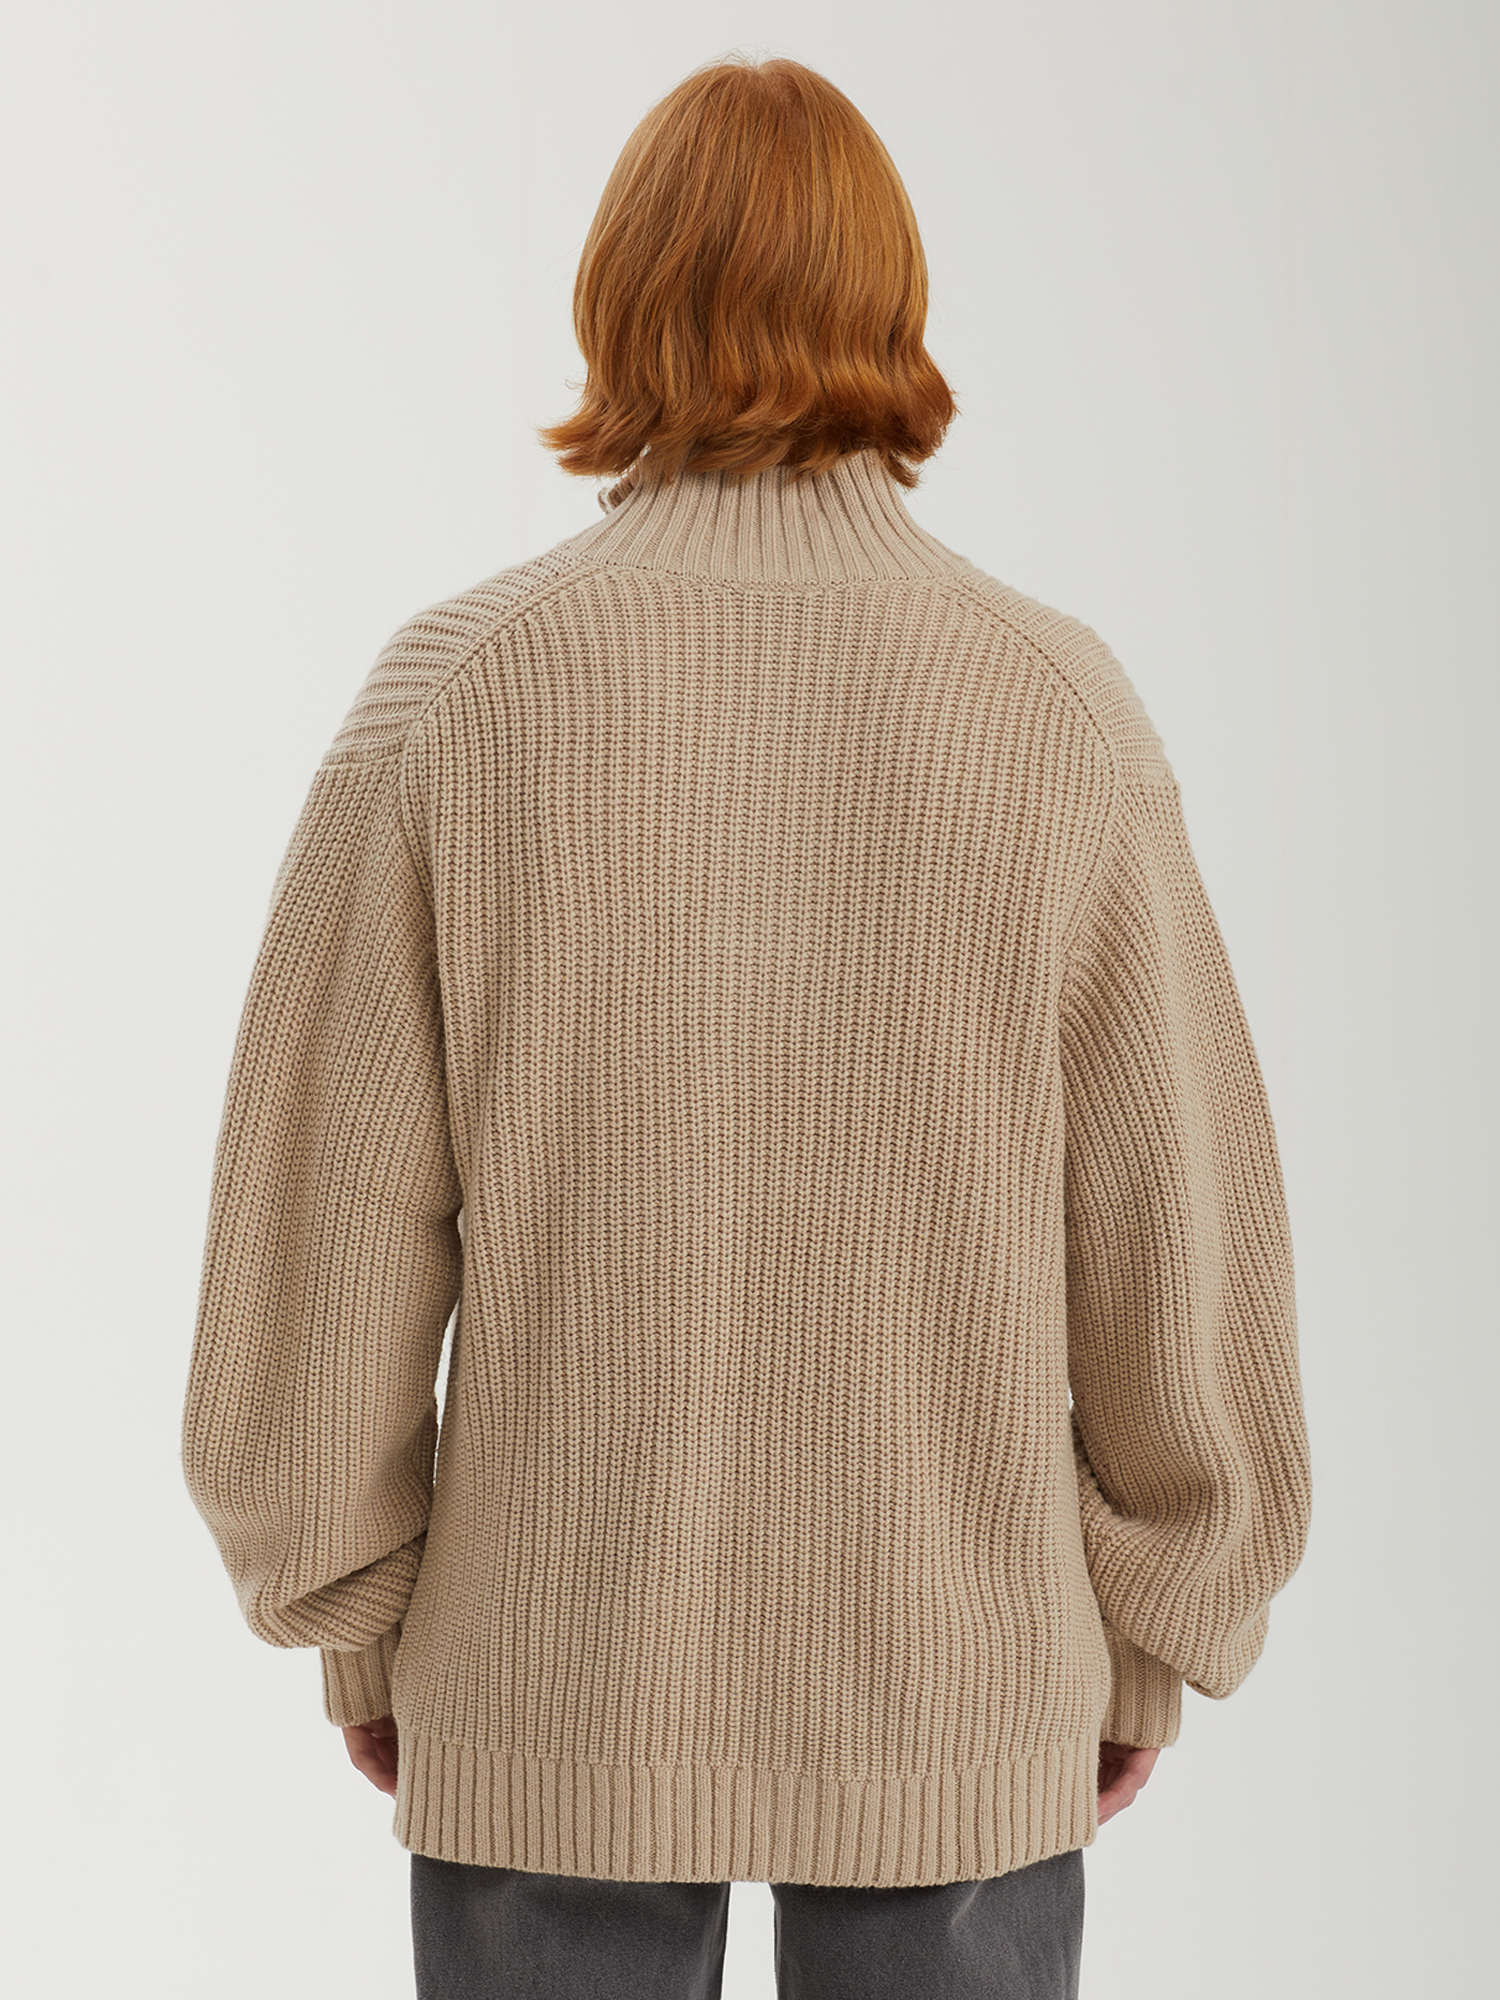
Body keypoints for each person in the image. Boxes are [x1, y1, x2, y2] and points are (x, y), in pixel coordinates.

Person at [180, 50, 1312, 2000]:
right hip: (958, 1678)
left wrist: (356, 1611)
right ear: (895, 302)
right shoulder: (1054, 706)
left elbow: (320, 1230)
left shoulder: (460, 696)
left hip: (553, 1671)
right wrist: (1158, 1626)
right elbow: (1174, 1231)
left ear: (617, 298)